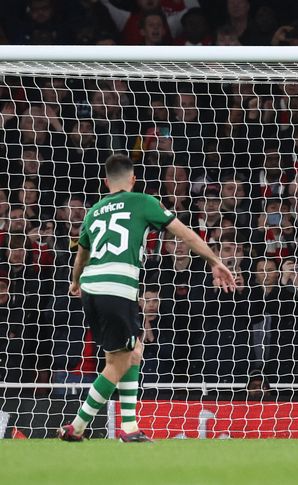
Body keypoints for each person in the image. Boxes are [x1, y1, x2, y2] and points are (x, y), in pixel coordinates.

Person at [58, 154, 235, 443]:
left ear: (106, 182)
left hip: (90, 287)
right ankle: (77, 425)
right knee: (118, 362)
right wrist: (214, 260)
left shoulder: (95, 210)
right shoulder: (142, 201)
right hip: (118, 285)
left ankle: (129, 426)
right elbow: (185, 234)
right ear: (133, 180)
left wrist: (76, 281)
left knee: (130, 352)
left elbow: (82, 253)